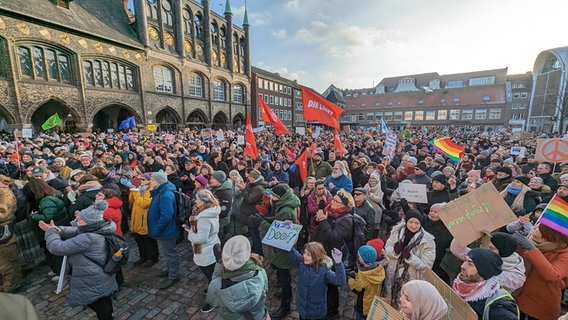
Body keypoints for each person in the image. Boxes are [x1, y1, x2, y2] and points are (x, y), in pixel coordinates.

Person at [39, 201, 117, 320]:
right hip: (101, 274)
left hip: (92, 277)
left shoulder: (88, 238)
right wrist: (58, 229)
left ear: (88, 222)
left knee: (98, 303)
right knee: (103, 299)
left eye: (80, 219)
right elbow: (77, 230)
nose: (77, 221)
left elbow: (57, 248)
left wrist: (50, 232)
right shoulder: (99, 228)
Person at [253, 184, 300, 319]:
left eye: (273, 195)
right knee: (282, 274)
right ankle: (286, 294)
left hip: (283, 250)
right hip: (280, 249)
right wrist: (265, 219)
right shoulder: (283, 205)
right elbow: (277, 221)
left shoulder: (286, 210)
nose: (271, 197)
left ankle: (286, 305)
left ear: (279, 197)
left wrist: (261, 223)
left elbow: (278, 233)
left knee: (285, 276)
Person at [313, 188, 355, 319]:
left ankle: (333, 311)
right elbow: (319, 224)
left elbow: (334, 236)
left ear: (345, 205)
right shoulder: (329, 209)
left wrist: (323, 221)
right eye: (334, 200)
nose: (333, 203)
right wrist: (318, 219)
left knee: (331, 284)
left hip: (333, 254)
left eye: (337, 202)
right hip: (322, 250)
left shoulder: (347, 219)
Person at [206, 235, 269, 319]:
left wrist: (218, 265)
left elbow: (212, 301)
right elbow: (265, 289)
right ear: (248, 255)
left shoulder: (216, 285)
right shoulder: (260, 272)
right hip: (258, 316)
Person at [514, 223, 568, 320]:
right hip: (522, 296)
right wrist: (517, 247)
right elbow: (519, 261)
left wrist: (532, 250)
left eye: (538, 228)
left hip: (542, 302)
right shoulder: (534, 242)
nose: (533, 228)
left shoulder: (564, 253)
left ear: (549, 234)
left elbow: (553, 274)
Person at [382, 209, 435, 306]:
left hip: (411, 277)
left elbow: (426, 267)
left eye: (417, 223)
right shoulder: (397, 231)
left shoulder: (428, 241)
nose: (413, 226)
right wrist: (395, 251)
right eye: (411, 222)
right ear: (406, 221)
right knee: (389, 296)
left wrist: (410, 257)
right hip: (393, 272)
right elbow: (387, 248)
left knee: (404, 303)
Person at [452, 248, 519, 320]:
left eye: (470, 264)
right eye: (465, 260)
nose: (462, 266)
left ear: (484, 271)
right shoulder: (459, 285)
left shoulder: (498, 308)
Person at [450, 231, 526, 294]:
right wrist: (467, 233)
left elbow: (491, 274)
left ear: (503, 252)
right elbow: (457, 250)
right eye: (488, 246)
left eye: (491, 248)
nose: (487, 250)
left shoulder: (516, 275)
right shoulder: (486, 256)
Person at [185, 189, 221, 314]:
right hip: (205, 247)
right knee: (210, 274)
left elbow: (202, 238)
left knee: (212, 276)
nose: (196, 200)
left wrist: (190, 234)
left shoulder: (204, 217)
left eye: (198, 199)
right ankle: (213, 289)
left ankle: (214, 299)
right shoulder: (205, 211)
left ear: (204, 201)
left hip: (206, 249)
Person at [290, 242, 346, 320]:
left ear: (317, 256)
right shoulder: (301, 262)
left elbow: (340, 281)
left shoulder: (325, 272)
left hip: (317, 312)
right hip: (302, 308)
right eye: (304, 253)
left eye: (308, 255)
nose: (304, 256)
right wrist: (288, 242)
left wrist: (338, 263)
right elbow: (293, 252)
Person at [147, 171, 180, 290]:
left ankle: (174, 276)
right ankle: (170, 270)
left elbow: (167, 215)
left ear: (159, 181)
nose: (150, 181)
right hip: (164, 230)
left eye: (152, 180)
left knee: (170, 254)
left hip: (166, 230)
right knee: (167, 253)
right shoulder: (160, 192)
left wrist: (156, 229)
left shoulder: (165, 195)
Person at [128, 172, 159, 267]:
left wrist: (136, 193)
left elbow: (144, 204)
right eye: (140, 179)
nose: (141, 181)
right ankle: (143, 257)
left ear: (149, 181)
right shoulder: (140, 189)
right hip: (136, 219)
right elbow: (132, 201)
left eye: (143, 179)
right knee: (139, 241)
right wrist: (133, 192)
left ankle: (153, 258)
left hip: (145, 220)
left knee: (149, 241)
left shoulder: (151, 191)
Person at [348, 245, 385, 320]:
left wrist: (350, 279)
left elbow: (355, 287)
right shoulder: (379, 269)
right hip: (373, 304)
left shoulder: (363, 275)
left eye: (359, 255)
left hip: (362, 307)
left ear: (362, 258)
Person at [238, 169, 267, 256]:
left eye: (250, 176)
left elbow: (250, 199)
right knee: (252, 232)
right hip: (248, 212)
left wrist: (243, 189)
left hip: (252, 213)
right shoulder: (253, 185)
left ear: (254, 177)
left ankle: (258, 252)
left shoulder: (259, 188)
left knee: (255, 234)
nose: (248, 178)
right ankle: (255, 248)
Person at [422, 202, 453, 282]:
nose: (432, 213)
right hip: (425, 255)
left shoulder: (449, 226)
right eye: (431, 211)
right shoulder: (425, 221)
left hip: (440, 260)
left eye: (435, 212)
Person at [0, 179, 20, 292]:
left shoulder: (5, 192)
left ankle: (11, 286)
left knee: (8, 262)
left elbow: (4, 213)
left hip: (4, 231)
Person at [209, 171, 233, 245]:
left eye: (213, 179)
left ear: (219, 181)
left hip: (221, 223)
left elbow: (223, 212)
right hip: (215, 220)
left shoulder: (225, 193)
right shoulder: (216, 188)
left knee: (219, 243)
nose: (211, 180)